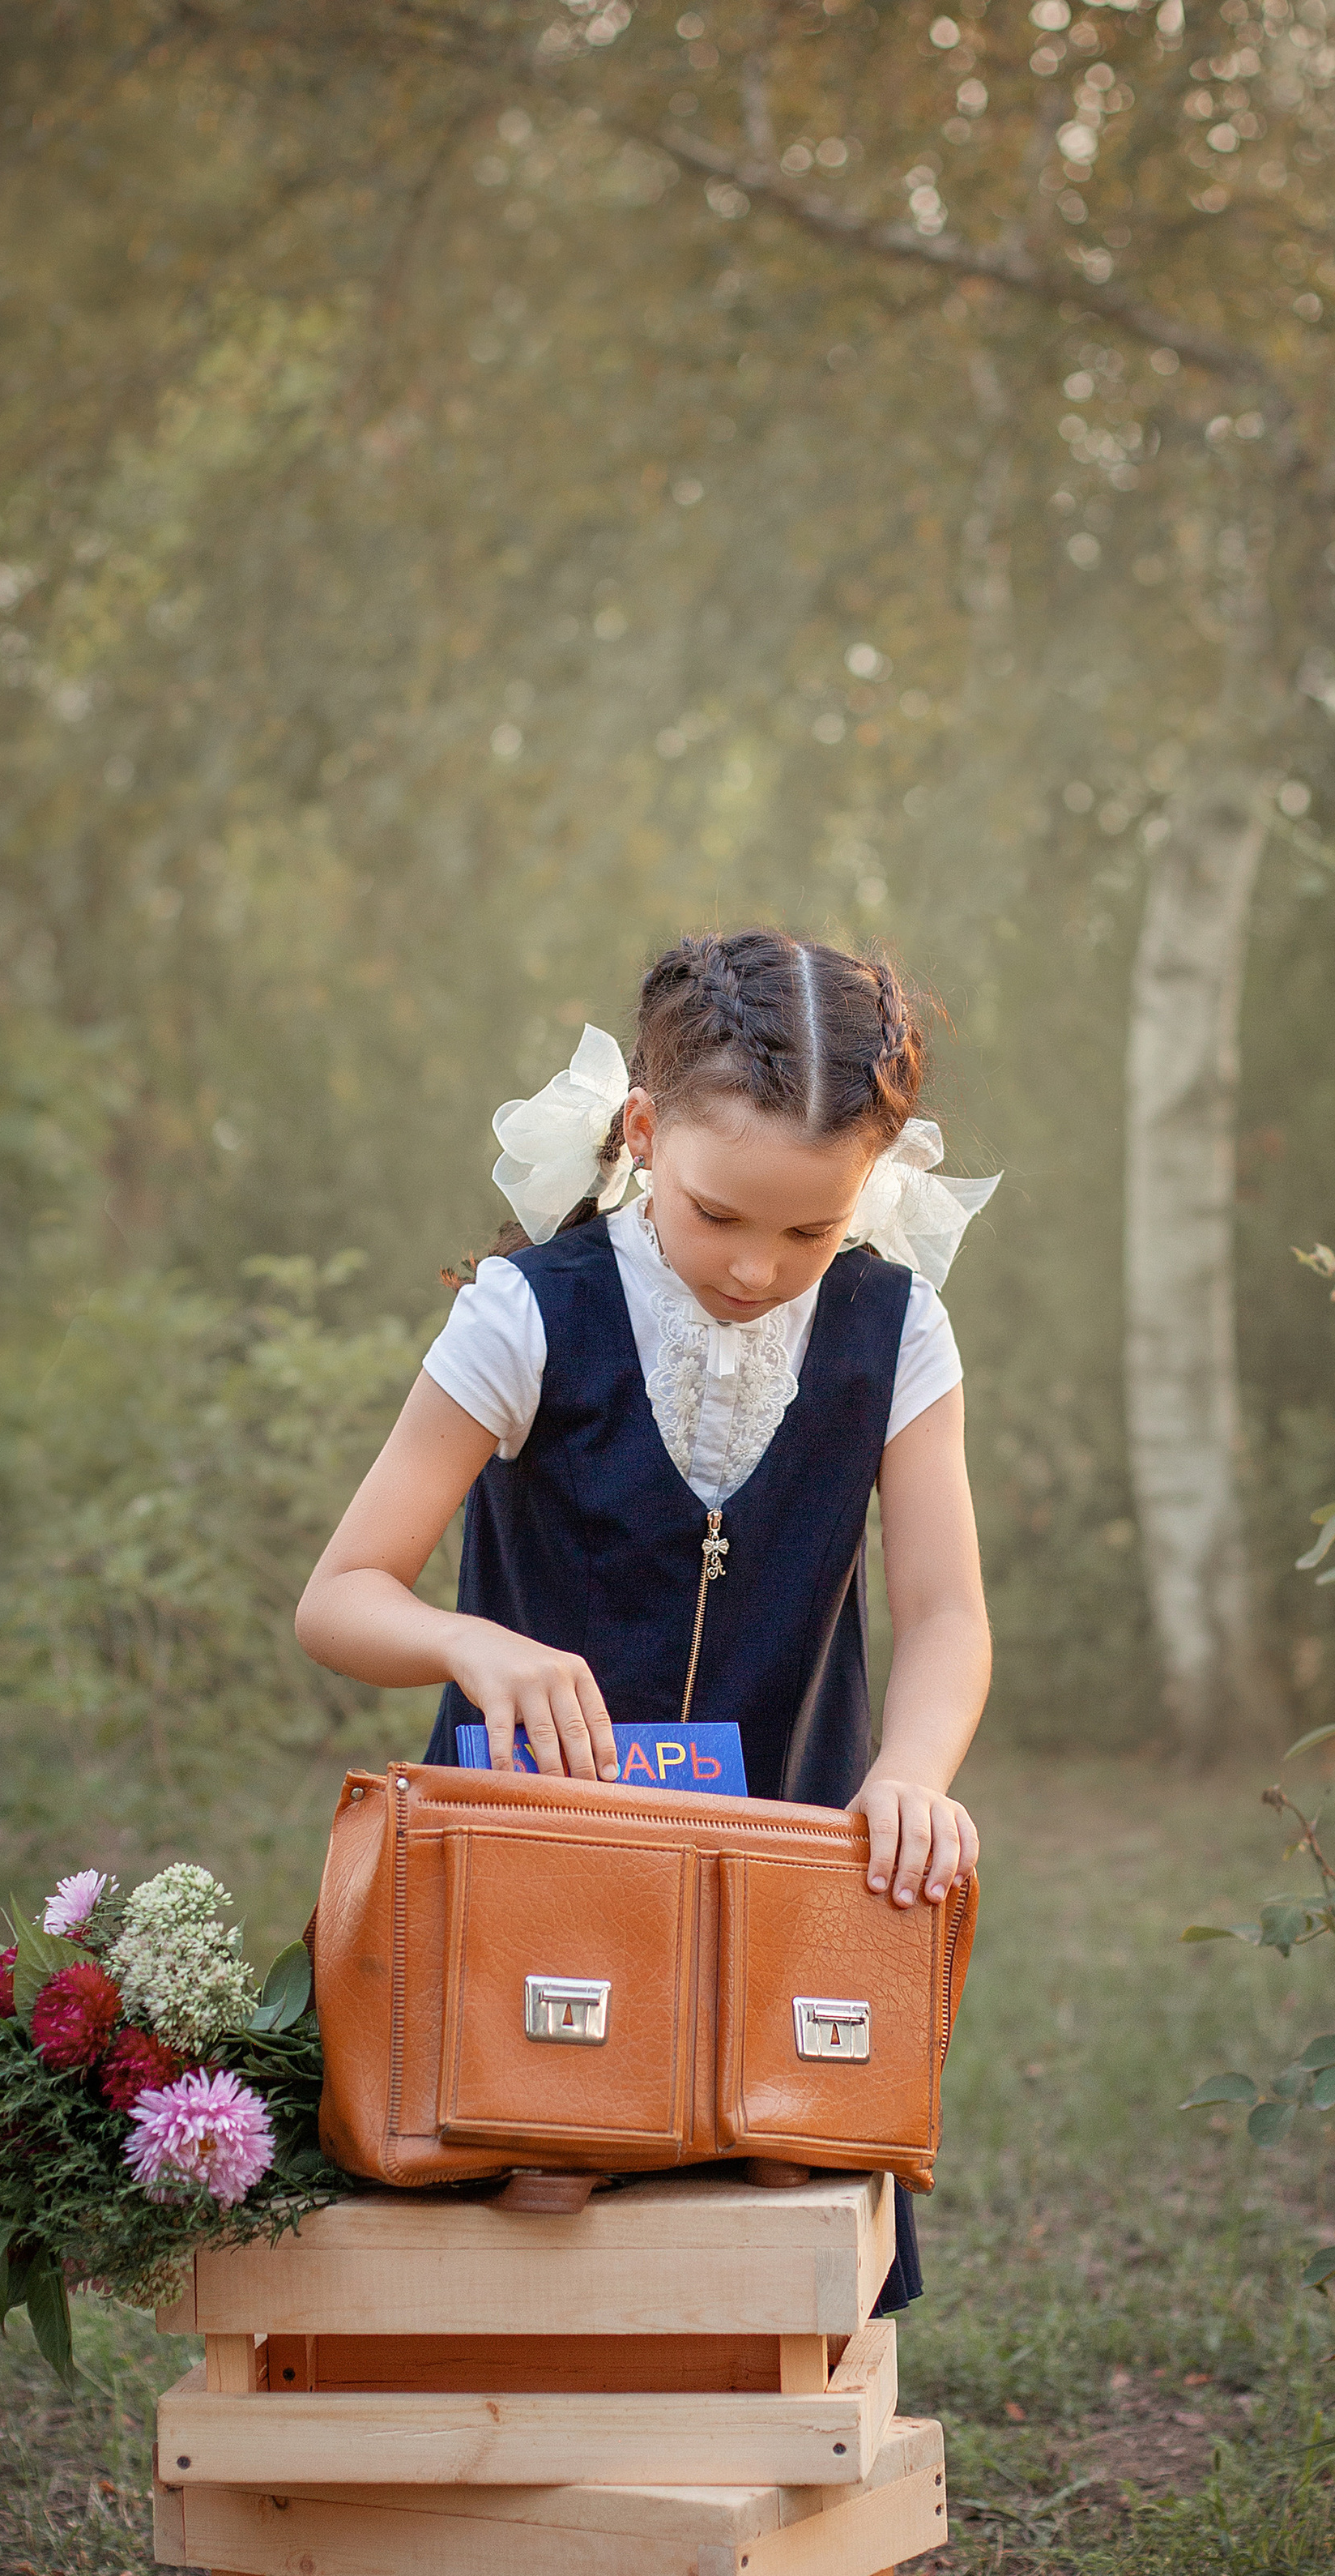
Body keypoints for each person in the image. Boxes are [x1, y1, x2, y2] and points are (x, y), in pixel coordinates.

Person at [296, 927, 996, 2308]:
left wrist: (912, 1777)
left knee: (771, 2221)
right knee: (530, 2199)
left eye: (811, 1227)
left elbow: (948, 1612)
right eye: (718, 1212)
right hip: (533, 1882)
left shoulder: (894, 1330)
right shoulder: (528, 1315)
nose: (756, 1266)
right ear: (642, 1132)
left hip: (780, 1868)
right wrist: (470, 1642)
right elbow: (340, 1596)